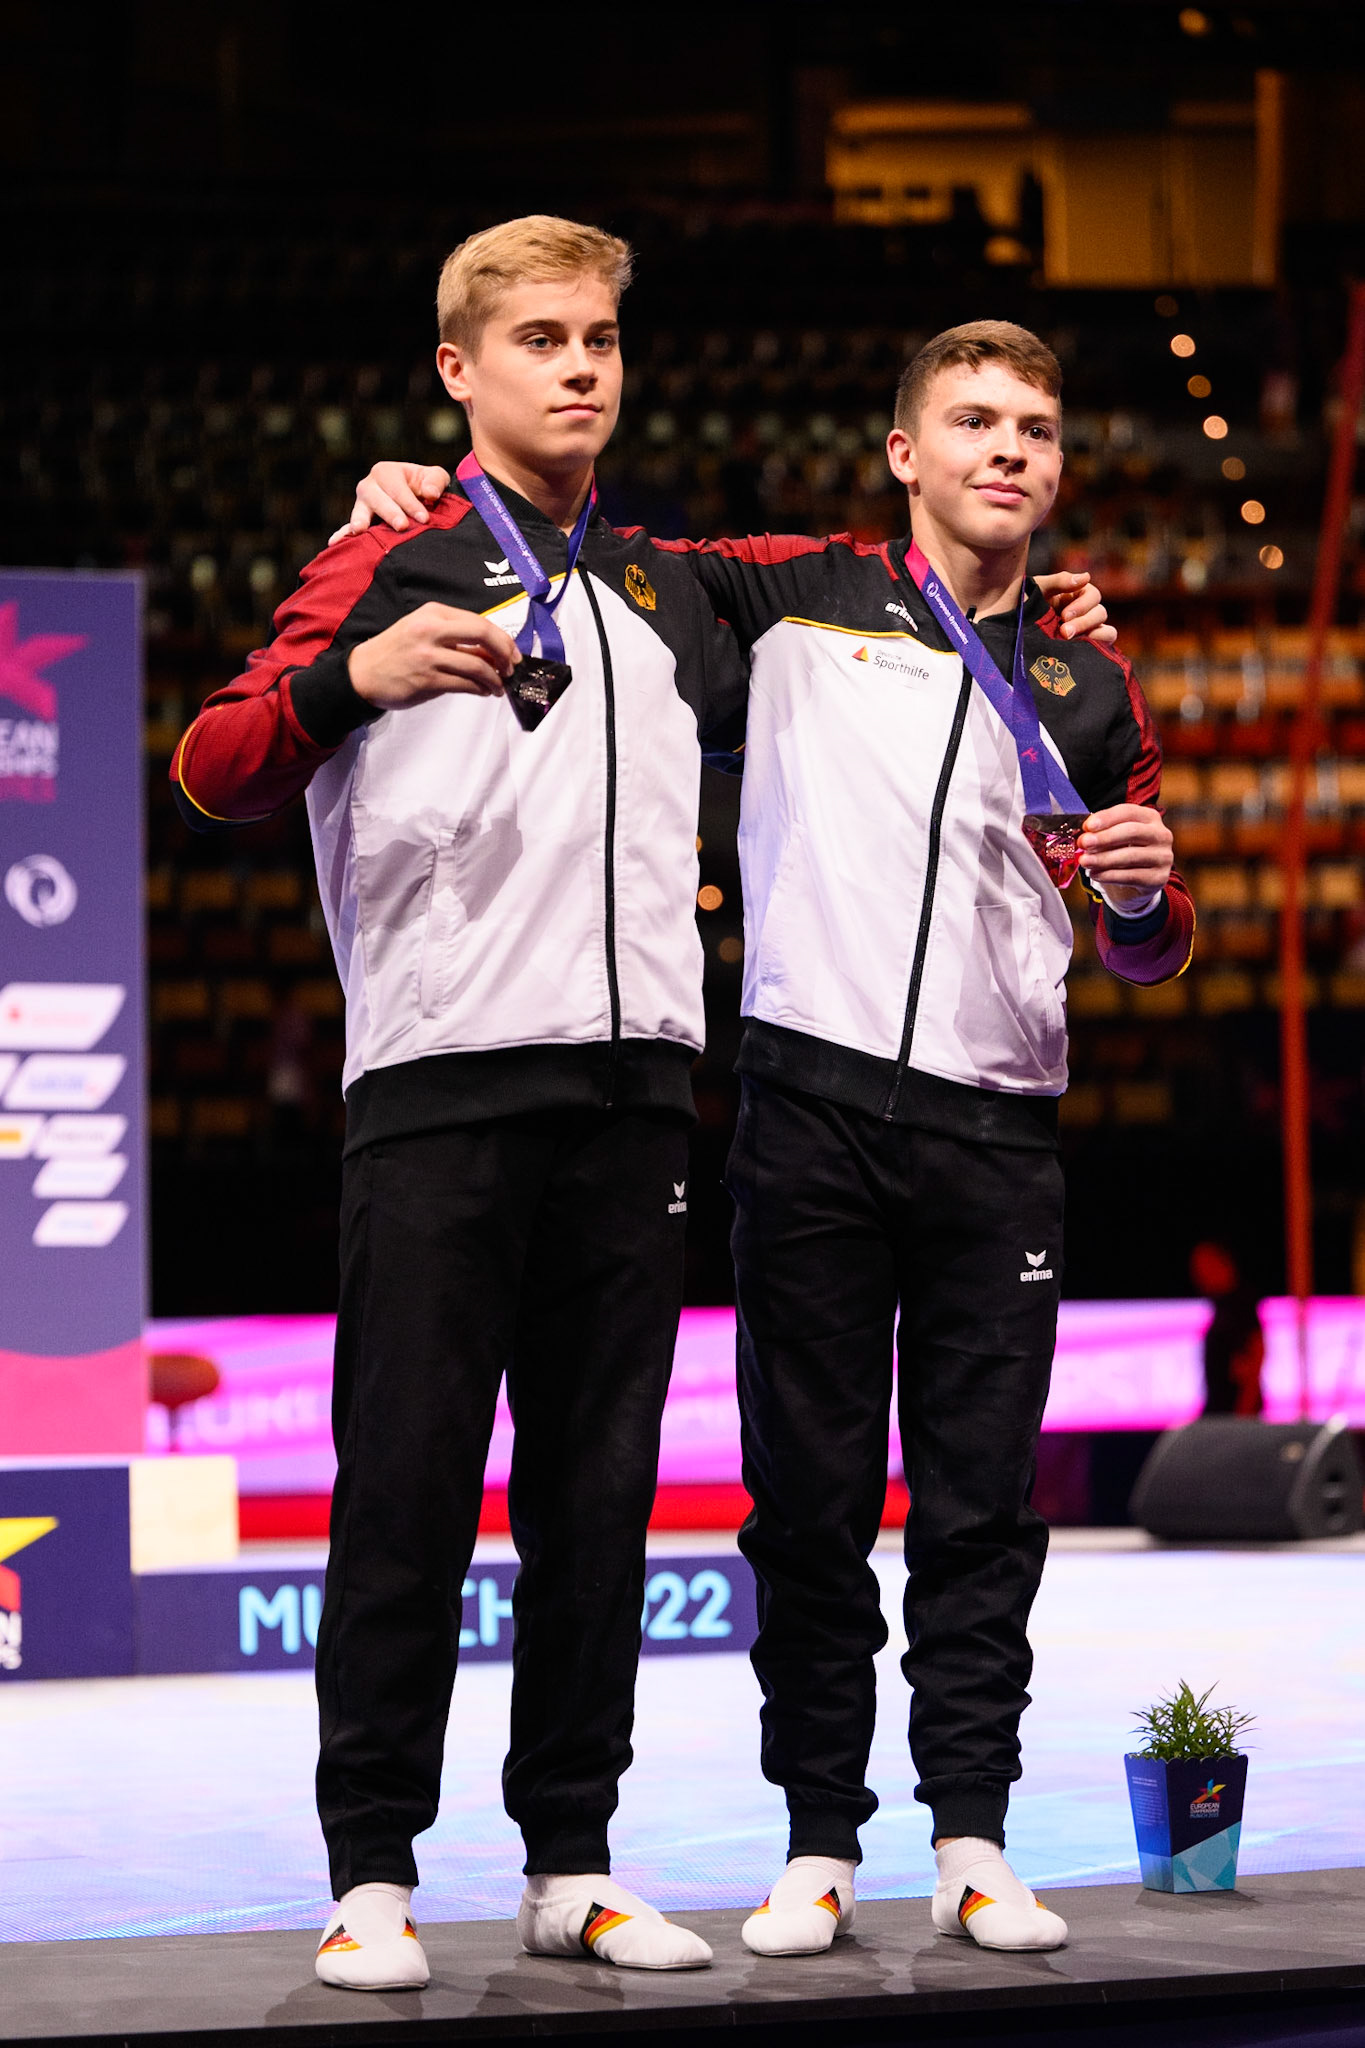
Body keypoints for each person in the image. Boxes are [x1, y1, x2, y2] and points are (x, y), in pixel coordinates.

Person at [349, 317, 1192, 1961]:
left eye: (1034, 425)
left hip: (1001, 1132)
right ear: (905, 453)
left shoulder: (1092, 682)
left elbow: (1142, 938)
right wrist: (417, 496)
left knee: (978, 1509)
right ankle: (819, 1836)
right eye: (972, 419)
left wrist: (1147, 904)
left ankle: (971, 1837)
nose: (1008, 447)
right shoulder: (790, 594)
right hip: (805, 1114)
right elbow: (586, 552)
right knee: (806, 1504)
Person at [170, 215, 751, 1990]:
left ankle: (571, 1856)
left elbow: (899, 570)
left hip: (639, 1092)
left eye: (601, 338)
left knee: (597, 1493)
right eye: (543, 339)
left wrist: (1052, 597)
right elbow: (211, 765)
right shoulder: (384, 557)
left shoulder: (673, 588)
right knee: (406, 1488)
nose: (582, 366)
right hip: (435, 1089)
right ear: (458, 370)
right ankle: (370, 1875)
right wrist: (353, 676)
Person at [1191, 1241, 1265, 1417]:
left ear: (1222, 1262)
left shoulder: (1241, 1304)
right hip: (1220, 1412)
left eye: (1204, 1265)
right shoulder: (1221, 1306)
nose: (1199, 1274)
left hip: (1234, 1414)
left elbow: (1256, 1355)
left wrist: (1243, 1414)